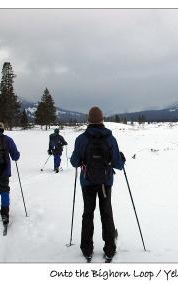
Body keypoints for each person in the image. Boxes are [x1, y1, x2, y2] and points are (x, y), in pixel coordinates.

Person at [70, 106, 125, 262]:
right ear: (102, 120)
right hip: (105, 183)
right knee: (106, 212)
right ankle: (109, 249)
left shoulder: (81, 139)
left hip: (87, 182)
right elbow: (118, 165)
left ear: (89, 120)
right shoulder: (110, 139)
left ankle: (87, 249)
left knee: (88, 213)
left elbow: (74, 162)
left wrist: (81, 159)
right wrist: (122, 159)